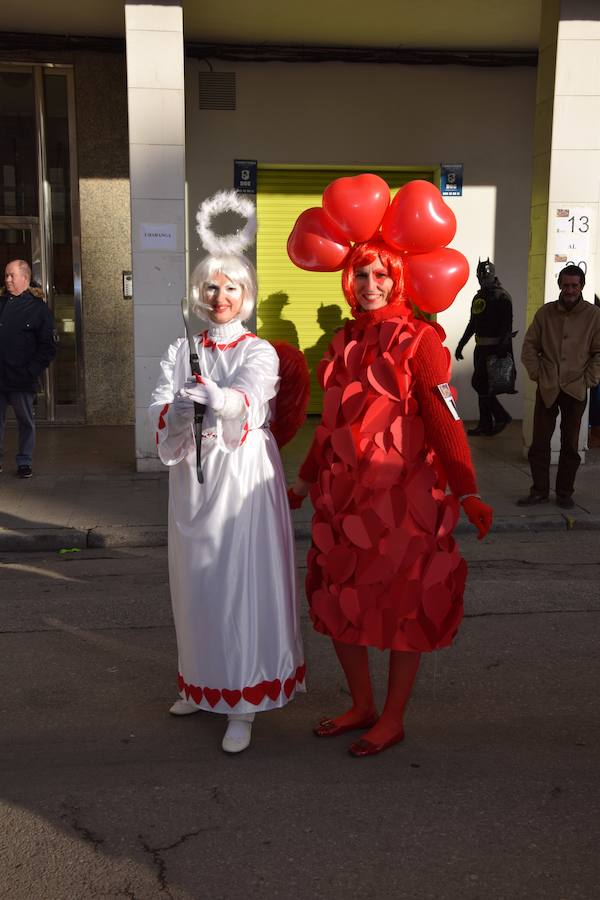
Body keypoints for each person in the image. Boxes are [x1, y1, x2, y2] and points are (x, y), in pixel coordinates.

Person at [287, 177, 493, 757]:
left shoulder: (423, 341)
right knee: (339, 599)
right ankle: (361, 703)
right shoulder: (341, 341)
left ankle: (393, 716)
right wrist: (304, 481)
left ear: (399, 278)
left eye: (381, 274)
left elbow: (446, 419)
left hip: (406, 499)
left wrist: (468, 490)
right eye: (360, 273)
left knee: (406, 603)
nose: (370, 284)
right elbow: (329, 423)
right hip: (342, 500)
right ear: (346, 279)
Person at [149, 192, 304, 754]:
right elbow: (158, 407)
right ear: (199, 293)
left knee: (239, 584)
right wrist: (176, 409)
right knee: (196, 584)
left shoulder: (259, 350)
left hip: (240, 481)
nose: (220, 297)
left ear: (246, 295)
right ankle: (201, 681)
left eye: (231, 288)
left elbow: (249, 398)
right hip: (192, 482)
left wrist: (218, 397)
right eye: (211, 288)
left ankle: (242, 700)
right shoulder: (179, 348)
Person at [518, 264, 600, 509]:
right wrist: (538, 373)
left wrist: (589, 379)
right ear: (560, 285)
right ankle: (539, 491)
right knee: (539, 444)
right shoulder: (545, 313)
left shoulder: (594, 315)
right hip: (548, 386)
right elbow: (529, 346)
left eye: (574, 285)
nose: (570, 290)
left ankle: (564, 492)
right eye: (566, 285)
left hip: (576, 387)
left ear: (582, 286)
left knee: (570, 445)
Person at [0, 259, 56, 478]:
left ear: (25, 277)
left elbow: (48, 347)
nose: (7, 279)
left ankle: (24, 461)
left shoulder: (38, 309)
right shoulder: (1, 303)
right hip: (0, 376)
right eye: (6, 275)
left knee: (25, 422)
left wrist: (30, 371)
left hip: (22, 378)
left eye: (11, 275)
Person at [455, 258, 515, 436]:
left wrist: (502, 351)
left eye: (486, 275)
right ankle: (486, 424)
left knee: (480, 385)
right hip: (480, 349)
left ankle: (500, 416)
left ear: (493, 275)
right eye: (481, 275)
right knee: (482, 385)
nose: (483, 278)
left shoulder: (502, 296)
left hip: (494, 349)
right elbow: (473, 323)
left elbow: (506, 326)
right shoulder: (480, 297)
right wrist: (461, 344)